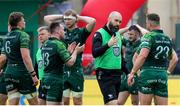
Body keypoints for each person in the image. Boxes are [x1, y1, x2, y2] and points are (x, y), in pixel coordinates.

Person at [44, 9, 96, 105]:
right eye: (65, 19)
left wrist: (77, 17)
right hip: (62, 72)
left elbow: (92, 21)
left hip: (76, 72)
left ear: (75, 20)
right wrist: (63, 16)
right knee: (65, 101)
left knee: (77, 101)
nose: (66, 21)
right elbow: (46, 18)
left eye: (69, 19)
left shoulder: (81, 32)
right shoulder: (62, 31)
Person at [128, 13, 178, 105]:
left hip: (147, 74)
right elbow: (174, 58)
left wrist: (133, 72)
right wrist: (168, 72)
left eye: (147, 23)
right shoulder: (167, 39)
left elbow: (142, 56)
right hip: (162, 75)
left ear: (150, 24)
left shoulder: (148, 37)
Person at [41, 22, 84, 105]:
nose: (64, 32)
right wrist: (76, 51)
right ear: (58, 31)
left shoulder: (45, 44)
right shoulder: (59, 44)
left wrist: (67, 52)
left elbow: (54, 59)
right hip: (55, 80)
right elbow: (70, 63)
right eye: (63, 30)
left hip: (45, 79)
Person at [0, 12, 38, 105]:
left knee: (13, 103)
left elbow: (3, 58)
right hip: (22, 73)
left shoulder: (6, 37)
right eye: (23, 20)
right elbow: (25, 57)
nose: (25, 22)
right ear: (19, 23)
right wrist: (33, 75)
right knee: (35, 104)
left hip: (9, 73)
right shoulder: (23, 35)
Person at [92, 11, 125, 105]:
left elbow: (120, 57)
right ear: (109, 19)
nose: (118, 24)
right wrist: (108, 45)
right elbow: (94, 53)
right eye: (116, 20)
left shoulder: (118, 35)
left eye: (120, 22)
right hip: (104, 73)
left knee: (114, 103)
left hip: (117, 74)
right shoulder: (99, 33)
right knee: (113, 103)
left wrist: (130, 73)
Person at [118, 25, 141, 105]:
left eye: (131, 34)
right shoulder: (127, 42)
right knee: (119, 103)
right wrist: (128, 28)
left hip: (136, 77)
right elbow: (116, 33)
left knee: (134, 103)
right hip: (125, 76)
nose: (129, 36)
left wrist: (138, 27)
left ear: (137, 34)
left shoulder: (142, 43)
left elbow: (147, 34)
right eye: (128, 34)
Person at [35, 26, 50, 105]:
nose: (40, 36)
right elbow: (37, 67)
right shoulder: (39, 50)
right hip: (42, 82)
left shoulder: (55, 47)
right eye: (39, 35)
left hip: (53, 82)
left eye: (42, 34)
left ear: (49, 35)